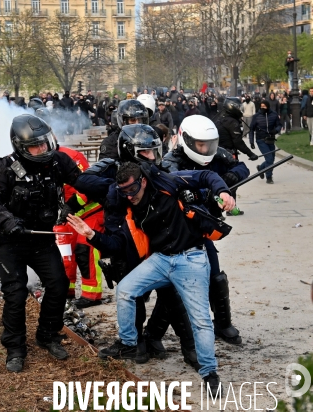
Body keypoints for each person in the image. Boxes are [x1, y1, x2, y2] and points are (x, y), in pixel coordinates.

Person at [67, 160, 235, 395]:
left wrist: (223, 191)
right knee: (125, 290)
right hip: (161, 259)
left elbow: (206, 175)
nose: (129, 196)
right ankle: (129, 343)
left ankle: (209, 372)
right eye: (123, 191)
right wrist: (92, 235)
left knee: (201, 320)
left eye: (132, 190)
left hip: (191, 259)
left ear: (143, 181)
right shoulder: (124, 205)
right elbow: (117, 244)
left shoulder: (169, 182)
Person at [0, 114, 81, 373]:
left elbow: (85, 183)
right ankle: (15, 348)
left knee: (59, 284)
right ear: (20, 147)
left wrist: (74, 203)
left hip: (40, 238)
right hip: (9, 241)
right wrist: (9, 222)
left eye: (44, 143)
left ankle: (47, 335)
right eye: (35, 147)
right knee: (15, 293)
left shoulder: (58, 162)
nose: (42, 150)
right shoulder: (1, 167)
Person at [158, 115, 248, 346]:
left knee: (215, 274)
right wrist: (202, 194)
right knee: (176, 285)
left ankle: (223, 323)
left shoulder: (217, 153)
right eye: (200, 144)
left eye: (209, 143)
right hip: (181, 228)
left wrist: (229, 177)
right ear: (186, 140)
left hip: (206, 225)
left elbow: (242, 166)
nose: (206, 149)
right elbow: (171, 189)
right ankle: (154, 336)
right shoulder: (171, 161)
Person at [56, 146, 105, 308]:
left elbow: (89, 186)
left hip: (91, 210)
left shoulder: (72, 156)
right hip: (65, 216)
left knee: (85, 250)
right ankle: (66, 290)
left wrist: (71, 206)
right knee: (64, 255)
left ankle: (92, 294)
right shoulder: (34, 162)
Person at [214, 97, 259, 162]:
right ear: (232, 107)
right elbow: (238, 142)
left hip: (218, 151)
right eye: (238, 107)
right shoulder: (232, 122)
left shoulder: (220, 117)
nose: (240, 109)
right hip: (227, 153)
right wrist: (250, 154)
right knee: (239, 170)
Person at [249, 100, 282, 184]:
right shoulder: (256, 116)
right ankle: (269, 177)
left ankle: (261, 168)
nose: (263, 108)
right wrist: (251, 141)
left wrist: (276, 130)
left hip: (271, 139)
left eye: (264, 106)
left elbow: (279, 125)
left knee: (271, 159)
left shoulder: (274, 114)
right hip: (261, 140)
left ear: (268, 106)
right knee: (269, 158)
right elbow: (251, 129)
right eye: (261, 106)